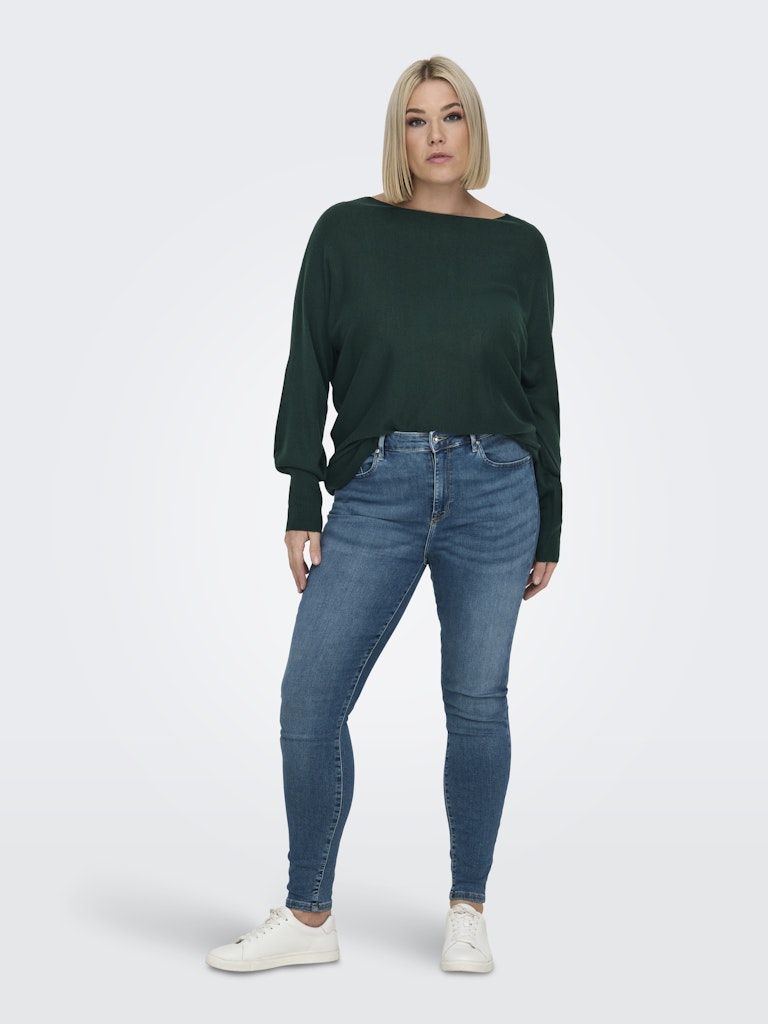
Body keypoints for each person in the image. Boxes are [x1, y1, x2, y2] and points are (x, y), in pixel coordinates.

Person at [206, 54, 561, 975]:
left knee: (476, 703)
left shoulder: (521, 247)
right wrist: (301, 494)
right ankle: (309, 915)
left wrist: (551, 520)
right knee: (310, 700)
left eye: (451, 115)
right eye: (416, 119)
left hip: (498, 488)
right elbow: (307, 365)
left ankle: (468, 909)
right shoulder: (346, 232)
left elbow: (541, 389)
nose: (436, 135)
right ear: (398, 135)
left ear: (474, 128)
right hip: (379, 484)